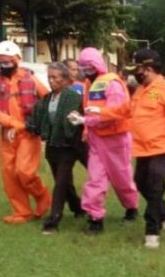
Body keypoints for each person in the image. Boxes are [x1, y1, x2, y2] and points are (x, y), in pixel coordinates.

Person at [88, 49, 165, 248]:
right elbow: (124, 110)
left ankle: (152, 230)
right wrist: (101, 110)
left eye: (137, 69)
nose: (135, 74)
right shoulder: (140, 90)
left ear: (147, 69)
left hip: (162, 148)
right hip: (142, 150)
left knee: (155, 187)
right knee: (141, 184)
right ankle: (164, 213)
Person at [67, 47, 139, 234]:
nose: (85, 70)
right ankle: (95, 218)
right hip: (97, 139)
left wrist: (89, 119)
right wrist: (84, 123)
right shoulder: (88, 85)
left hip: (116, 138)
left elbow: (119, 111)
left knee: (122, 178)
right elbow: (89, 109)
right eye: (83, 67)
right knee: (95, 179)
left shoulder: (112, 83)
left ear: (97, 64)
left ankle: (131, 207)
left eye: (88, 66)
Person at [0, 41, 51, 224]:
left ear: (16, 59)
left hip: (28, 133)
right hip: (7, 135)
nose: (4, 65)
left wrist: (36, 123)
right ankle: (22, 212)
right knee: (10, 175)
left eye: (7, 61)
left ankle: (42, 196)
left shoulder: (30, 78)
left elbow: (46, 99)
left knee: (25, 172)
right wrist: (11, 123)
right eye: (0, 62)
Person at [25, 62, 86, 234]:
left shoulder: (72, 96)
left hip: (70, 145)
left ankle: (53, 221)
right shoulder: (47, 98)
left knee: (60, 183)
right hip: (53, 146)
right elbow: (36, 118)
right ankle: (78, 208)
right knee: (64, 182)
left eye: (55, 77)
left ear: (65, 79)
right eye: (49, 77)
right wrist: (26, 126)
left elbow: (70, 122)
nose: (51, 81)